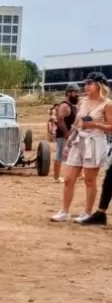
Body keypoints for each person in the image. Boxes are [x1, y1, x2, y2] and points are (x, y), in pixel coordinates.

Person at [51, 72, 112, 223]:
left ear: (99, 85)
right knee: (68, 179)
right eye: (85, 84)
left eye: (89, 83)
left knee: (89, 180)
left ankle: (87, 212)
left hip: (95, 142)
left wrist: (94, 125)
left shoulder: (107, 104)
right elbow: (77, 123)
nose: (86, 87)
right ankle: (64, 211)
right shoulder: (82, 102)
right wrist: (69, 141)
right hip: (79, 140)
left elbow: (111, 126)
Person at [52, 83, 80, 183]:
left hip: (71, 135)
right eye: (75, 92)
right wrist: (66, 134)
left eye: (78, 92)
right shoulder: (64, 105)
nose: (77, 94)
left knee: (75, 155)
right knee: (59, 155)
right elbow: (60, 119)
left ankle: (76, 174)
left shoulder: (73, 106)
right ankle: (56, 177)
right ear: (68, 93)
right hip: (63, 135)